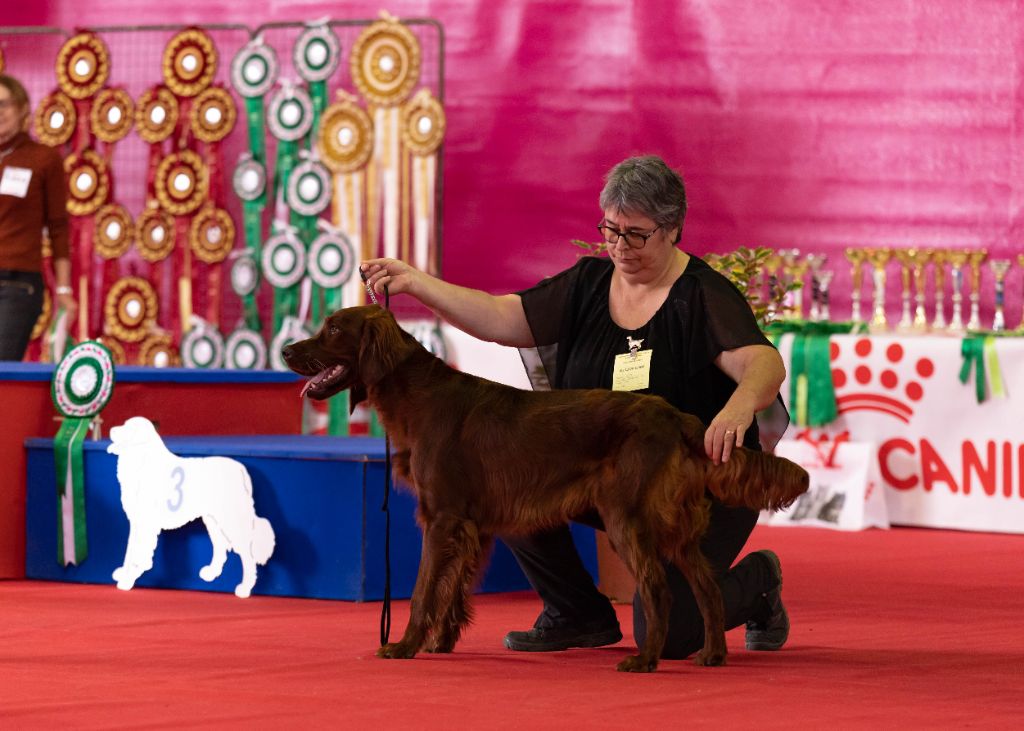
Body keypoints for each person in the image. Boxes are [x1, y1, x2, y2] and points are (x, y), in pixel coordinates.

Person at [361, 155, 790, 659]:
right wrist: (416, 282)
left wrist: (740, 405)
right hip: (608, 471)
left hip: (695, 480)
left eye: (636, 234)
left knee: (672, 635)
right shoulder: (588, 283)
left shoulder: (700, 296)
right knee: (504, 476)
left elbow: (763, 362)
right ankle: (577, 614)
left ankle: (759, 582)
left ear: (673, 230)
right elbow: (503, 316)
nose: (619, 247)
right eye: (611, 230)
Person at [0, 74, 75, 361]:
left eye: (4, 104)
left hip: (18, 287)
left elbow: (58, 228)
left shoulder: (43, 159)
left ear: (21, 109)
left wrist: (65, 289)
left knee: (2, 373)